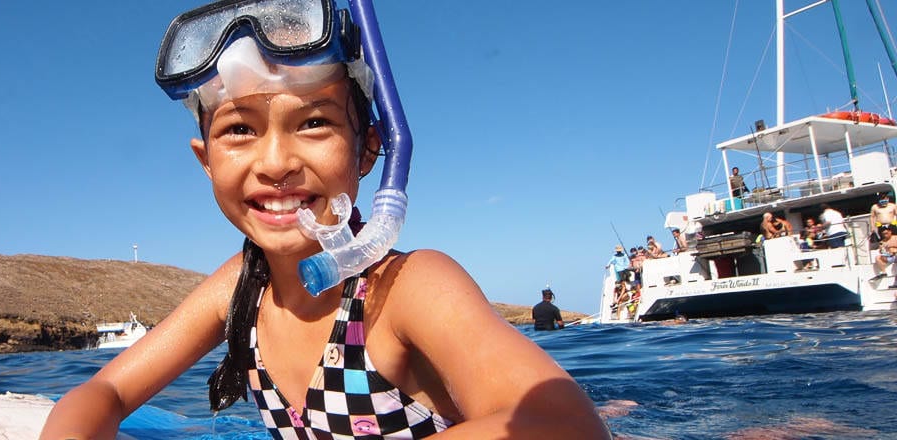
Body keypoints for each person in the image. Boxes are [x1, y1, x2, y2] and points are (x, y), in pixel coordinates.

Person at [40, 1, 608, 439]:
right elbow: (106, 390)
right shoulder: (236, 291)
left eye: (313, 123)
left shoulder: (409, 290)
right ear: (205, 159)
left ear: (369, 151)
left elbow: (570, 427)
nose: (277, 163)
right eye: (238, 129)